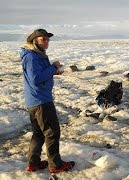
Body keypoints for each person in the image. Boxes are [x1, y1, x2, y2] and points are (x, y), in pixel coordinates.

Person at [20, 29, 75, 173]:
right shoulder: (32, 57)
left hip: (34, 100)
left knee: (38, 133)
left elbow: (38, 76)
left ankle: (34, 163)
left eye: (47, 39)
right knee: (52, 132)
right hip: (41, 101)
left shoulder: (35, 55)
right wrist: (53, 67)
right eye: (43, 39)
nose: (47, 41)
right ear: (35, 41)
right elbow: (36, 79)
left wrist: (53, 72)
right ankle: (56, 165)